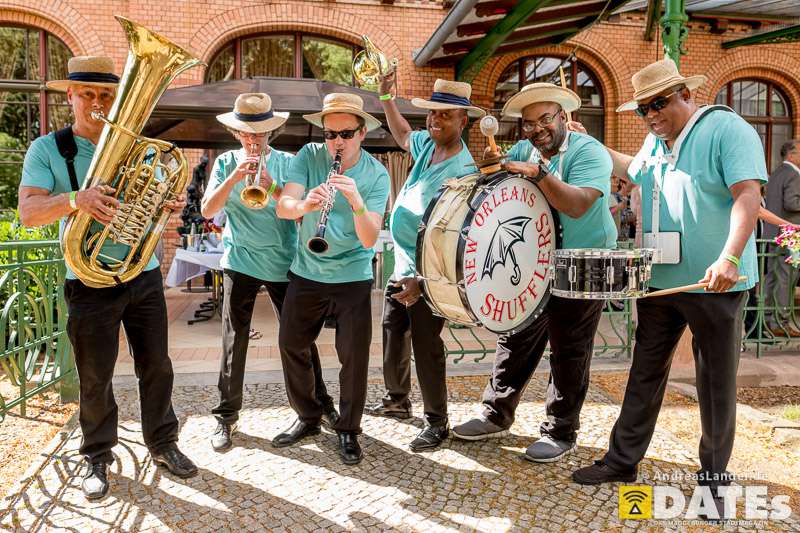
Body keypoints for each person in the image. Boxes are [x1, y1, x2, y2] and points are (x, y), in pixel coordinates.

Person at [570, 59, 765, 522]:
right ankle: (621, 461)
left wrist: (730, 258)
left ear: (685, 95)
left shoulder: (726, 129)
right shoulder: (656, 142)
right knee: (644, 372)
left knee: (715, 384)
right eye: (643, 109)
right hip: (661, 280)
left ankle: (714, 482)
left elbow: (748, 195)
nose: (651, 114)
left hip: (716, 281)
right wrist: (590, 144)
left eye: (659, 103)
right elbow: (634, 172)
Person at [17, 56, 197, 500]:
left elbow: (153, 199)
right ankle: (97, 453)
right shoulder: (48, 150)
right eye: (89, 94)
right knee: (94, 375)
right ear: (70, 97)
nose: (97, 103)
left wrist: (165, 204)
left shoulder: (139, 148)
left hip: (143, 274)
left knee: (156, 366)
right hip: (88, 279)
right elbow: (28, 212)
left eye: (106, 96)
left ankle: (163, 442)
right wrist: (78, 199)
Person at [452, 82, 617, 464]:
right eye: (528, 123)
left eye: (545, 119)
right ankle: (496, 414)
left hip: (584, 259)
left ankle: (561, 431)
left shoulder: (589, 151)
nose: (537, 129)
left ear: (564, 117)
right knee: (516, 334)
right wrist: (494, 165)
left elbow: (576, 206)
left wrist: (539, 174)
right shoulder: (525, 148)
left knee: (569, 347)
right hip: (536, 259)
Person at [200, 93, 339, 452]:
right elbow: (207, 209)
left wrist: (270, 183)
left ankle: (320, 405)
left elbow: (300, 210)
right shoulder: (224, 163)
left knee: (300, 339)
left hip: (283, 262)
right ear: (235, 134)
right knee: (235, 339)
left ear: (270, 134)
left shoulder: (289, 163)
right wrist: (234, 177)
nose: (253, 140)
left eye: (259, 134)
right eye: (247, 134)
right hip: (239, 261)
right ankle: (226, 417)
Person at [275, 93, 390, 465]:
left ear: (362, 133)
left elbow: (370, 238)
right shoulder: (309, 156)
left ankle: (349, 430)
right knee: (291, 344)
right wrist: (306, 204)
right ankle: (309, 415)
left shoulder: (377, 174)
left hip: (352, 275)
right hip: (307, 270)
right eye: (330, 134)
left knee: (353, 358)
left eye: (345, 134)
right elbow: (283, 206)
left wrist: (356, 203)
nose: (336, 142)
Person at [368, 77, 482, 451]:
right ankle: (397, 400)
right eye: (432, 113)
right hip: (401, 264)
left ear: (462, 121)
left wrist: (422, 280)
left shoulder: (464, 172)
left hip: (428, 274)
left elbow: (455, 240)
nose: (435, 121)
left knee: (426, 345)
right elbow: (403, 133)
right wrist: (386, 97)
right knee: (392, 332)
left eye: (445, 116)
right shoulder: (426, 146)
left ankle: (437, 421)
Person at [762, 140, 800, 337]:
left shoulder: (776, 173)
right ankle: (781, 322)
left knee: (772, 277)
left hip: (772, 232)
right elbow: (792, 203)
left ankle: (767, 319)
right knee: (787, 277)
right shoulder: (793, 174)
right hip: (789, 234)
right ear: (791, 155)